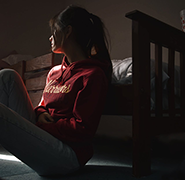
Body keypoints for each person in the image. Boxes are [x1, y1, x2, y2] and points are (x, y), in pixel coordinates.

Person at [0, 5, 112, 176]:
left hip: (67, 154)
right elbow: (42, 105)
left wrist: (43, 126)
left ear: (67, 31)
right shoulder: (54, 72)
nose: (50, 37)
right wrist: (40, 113)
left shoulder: (92, 75)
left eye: (54, 31)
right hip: (45, 136)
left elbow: (83, 129)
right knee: (7, 76)